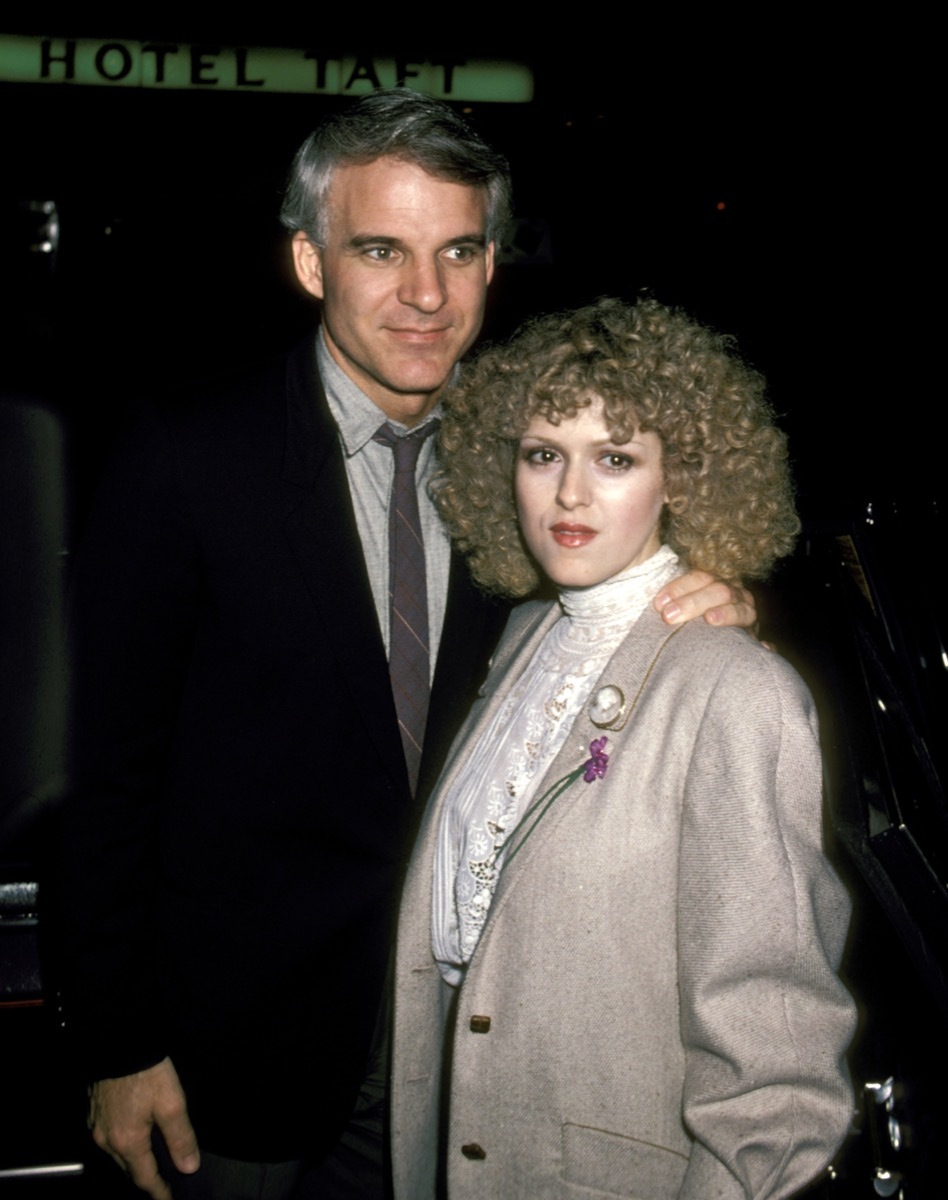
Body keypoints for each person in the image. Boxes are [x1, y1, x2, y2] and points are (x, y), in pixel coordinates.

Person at [60, 94, 756, 1200]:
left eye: (458, 251)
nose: (426, 294)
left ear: (492, 262)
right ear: (311, 262)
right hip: (231, 1055)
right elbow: (106, 778)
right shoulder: (187, 456)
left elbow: (608, 613)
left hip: (463, 1057)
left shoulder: (532, 460)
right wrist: (118, 1040)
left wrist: (705, 591)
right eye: (381, 250)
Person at [391, 297, 856, 1199]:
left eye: (614, 458)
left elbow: (776, 1088)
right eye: (543, 455)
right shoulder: (524, 636)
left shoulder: (738, 692)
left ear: (679, 478)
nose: (570, 494)